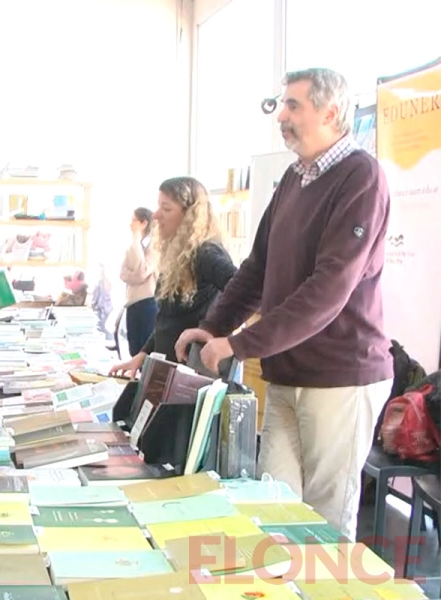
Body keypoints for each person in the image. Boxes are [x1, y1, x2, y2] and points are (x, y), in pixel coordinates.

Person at [175, 68, 393, 541]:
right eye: (281, 106)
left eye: (293, 105)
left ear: (331, 112)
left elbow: (328, 291)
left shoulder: (362, 177)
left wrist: (239, 343)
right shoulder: (294, 179)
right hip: (285, 372)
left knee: (326, 523)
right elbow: (257, 267)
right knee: (271, 511)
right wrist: (214, 329)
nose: (282, 117)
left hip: (341, 376)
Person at [110, 176, 236, 375]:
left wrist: (212, 330)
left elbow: (242, 291)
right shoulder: (179, 254)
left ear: (190, 216)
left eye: (166, 209)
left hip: (192, 373)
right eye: (159, 206)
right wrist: (142, 355)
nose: (156, 215)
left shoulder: (207, 253)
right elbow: (167, 320)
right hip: (167, 368)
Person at [120, 207, 158, 356]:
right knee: (133, 351)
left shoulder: (154, 246)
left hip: (147, 303)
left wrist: (136, 238)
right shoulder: (136, 245)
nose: (130, 224)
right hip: (133, 303)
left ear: (143, 223)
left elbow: (141, 272)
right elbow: (122, 273)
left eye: (133, 220)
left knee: (144, 353)